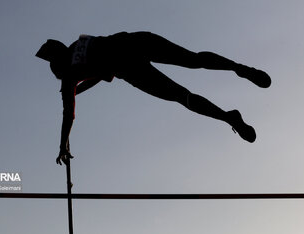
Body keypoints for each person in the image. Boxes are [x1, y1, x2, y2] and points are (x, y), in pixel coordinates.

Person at [35, 31, 271, 165]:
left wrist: (63, 142)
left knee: (182, 97)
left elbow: (69, 112)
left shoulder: (68, 76)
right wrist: (78, 89)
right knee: (193, 59)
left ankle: (228, 117)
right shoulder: (80, 43)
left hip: (130, 69)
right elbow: (100, 72)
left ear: (57, 65)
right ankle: (239, 68)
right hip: (136, 42)